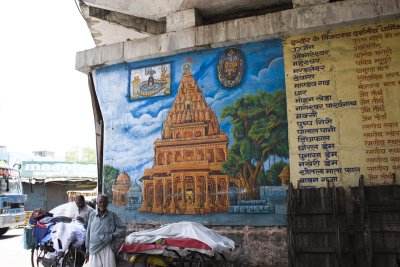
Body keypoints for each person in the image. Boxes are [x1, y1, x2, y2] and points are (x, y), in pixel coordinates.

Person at [85, 194, 125, 267]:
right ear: (97, 203)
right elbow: (88, 232)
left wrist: (112, 235)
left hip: (107, 246)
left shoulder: (112, 215)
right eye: (100, 202)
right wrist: (87, 250)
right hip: (94, 248)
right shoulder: (92, 215)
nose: (102, 204)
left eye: (104, 202)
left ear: (107, 203)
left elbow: (122, 228)